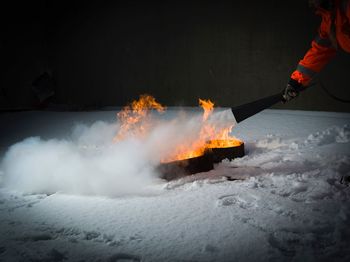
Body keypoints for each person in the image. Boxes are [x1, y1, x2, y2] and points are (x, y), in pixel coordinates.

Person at [283, 0, 350, 102]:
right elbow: (318, 52)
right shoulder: (329, 21)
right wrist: (295, 82)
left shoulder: (346, 6)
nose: (309, 4)